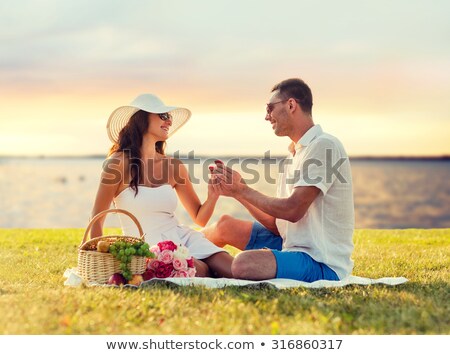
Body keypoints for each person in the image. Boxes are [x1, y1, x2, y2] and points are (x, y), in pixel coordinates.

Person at [205, 78, 354, 282]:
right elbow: (278, 225)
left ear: (291, 105)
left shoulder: (324, 145)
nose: (267, 117)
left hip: (320, 262)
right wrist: (237, 191)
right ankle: (176, 257)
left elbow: (292, 210)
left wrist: (242, 190)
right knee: (224, 225)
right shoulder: (293, 156)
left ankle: (202, 269)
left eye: (270, 108)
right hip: (289, 245)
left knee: (243, 264)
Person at [90, 93, 233, 278]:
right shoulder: (117, 164)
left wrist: (213, 195)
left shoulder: (174, 166)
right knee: (202, 270)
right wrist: (99, 258)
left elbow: (199, 218)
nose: (169, 121)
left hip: (184, 237)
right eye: (163, 116)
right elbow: (97, 218)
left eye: (169, 117)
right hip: (149, 248)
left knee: (236, 269)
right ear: (141, 119)